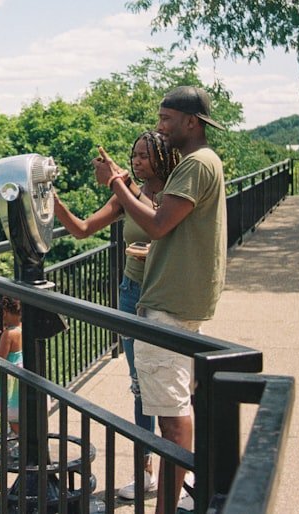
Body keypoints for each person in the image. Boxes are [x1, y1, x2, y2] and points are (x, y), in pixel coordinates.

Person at [92, 86, 227, 514]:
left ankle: (166, 506)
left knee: (170, 419)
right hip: (180, 306)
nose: (160, 127)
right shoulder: (206, 163)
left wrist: (116, 183)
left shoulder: (193, 164)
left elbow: (157, 223)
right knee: (177, 407)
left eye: (166, 119)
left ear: (192, 122)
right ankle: (190, 492)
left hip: (167, 309)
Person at [53, 131, 180, 500]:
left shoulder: (176, 190)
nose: (137, 161)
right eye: (134, 155)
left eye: (144, 155)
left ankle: (184, 467)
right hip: (131, 294)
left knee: (174, 384)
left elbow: (161, 222)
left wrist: (119, 184)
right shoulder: (125, 194)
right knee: (140, 384)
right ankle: (147, 472)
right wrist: (50, 198)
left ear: (162, 157)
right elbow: (81, 230)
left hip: (166, 296)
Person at [0, 296, 23, 433]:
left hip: (12, 378)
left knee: (13, 415)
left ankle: (22, 443)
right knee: (24, 411)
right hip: (23, 372)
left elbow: (0, 358)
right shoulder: (22, 328)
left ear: (5, 312)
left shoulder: (9, 334)